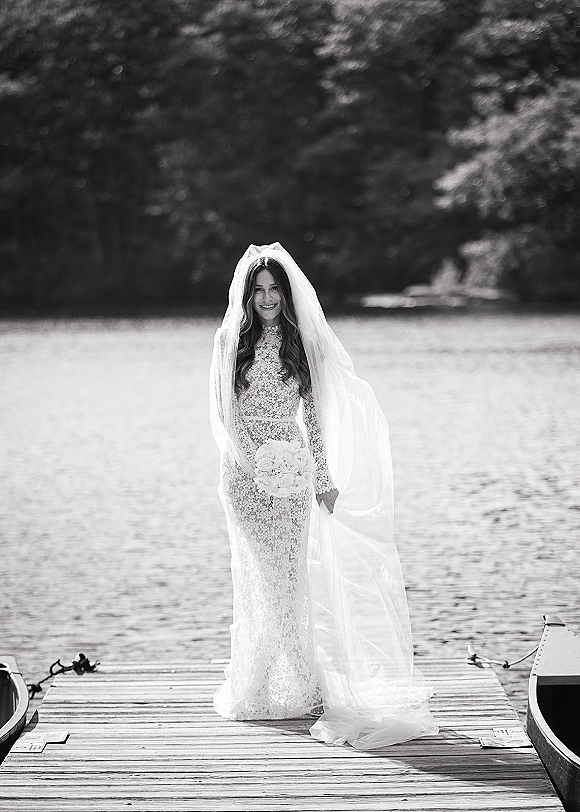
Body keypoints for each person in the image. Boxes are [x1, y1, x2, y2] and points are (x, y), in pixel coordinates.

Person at [209, 243, 438, 749]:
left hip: (293, 477)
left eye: (274, 290)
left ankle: (299, 684)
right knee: (266, 579)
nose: (267, 298)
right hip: (244, 481)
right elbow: (226, 415)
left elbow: (310, 420)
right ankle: (263, 684)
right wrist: (254, 466)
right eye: (259, 291)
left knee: (291, 582)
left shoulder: (300, 342)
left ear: (286, 294)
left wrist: (322, 477)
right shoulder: (230, 341)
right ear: (247, 297)